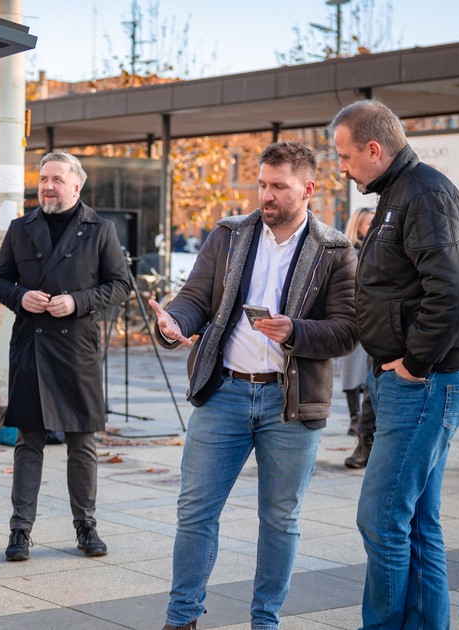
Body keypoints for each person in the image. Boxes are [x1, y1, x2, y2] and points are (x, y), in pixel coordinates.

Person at [150, 142, 357, 630]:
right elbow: (194, 298)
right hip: (224, 393)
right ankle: (181, 619)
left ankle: (265, 621)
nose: (266, 195)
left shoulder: (334, 249)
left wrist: (296, 331)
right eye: (262, 184)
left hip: (291, 403)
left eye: (278, 186)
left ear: (307, 189)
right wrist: (173, 323)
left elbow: (348, 329)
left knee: (280, 520)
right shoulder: (228, 234)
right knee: (195, 510)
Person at [330, 99, 459, 629]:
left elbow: (458, 290)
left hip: (425, 382)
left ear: (375, 149)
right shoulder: (403, 192)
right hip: (420, 380)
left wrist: (415, 362)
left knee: (381, 517)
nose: (342, 168)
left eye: (346, 157)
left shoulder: (422, 193)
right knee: (417, 520)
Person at [0, 151, 130, 562]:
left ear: (76, 186)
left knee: (82, 442)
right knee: (28, 442)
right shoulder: (20, 228)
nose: (47, 186)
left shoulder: (100, 229)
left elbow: (120, 284)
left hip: (77, 349)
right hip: (31, 345)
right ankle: (19, 531)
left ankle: (86, 527)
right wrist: (20, 297)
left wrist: (77, 301)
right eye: (42, 179)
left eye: (55, 179)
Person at [338, 207, 376, 469]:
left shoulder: (381, 248)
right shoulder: (349, 252)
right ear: (358, 225)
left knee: (371, 378)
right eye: (368, 222)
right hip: (354, 320)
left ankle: (365, 432)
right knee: (353, 372)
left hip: (377, 322)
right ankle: (356, 421)